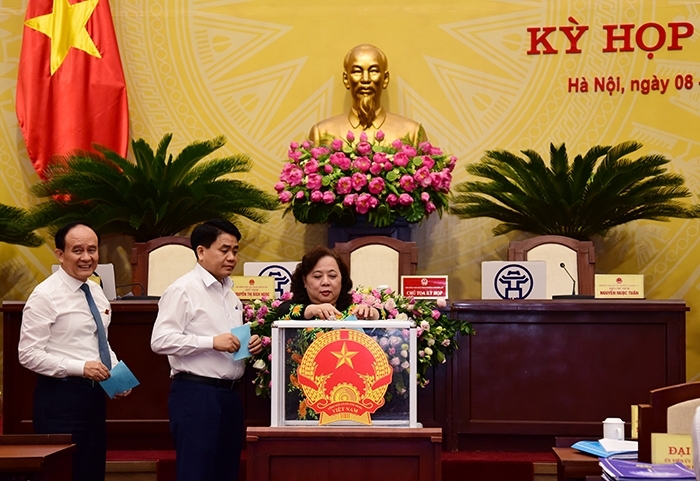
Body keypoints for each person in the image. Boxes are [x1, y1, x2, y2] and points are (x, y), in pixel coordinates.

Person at [150, 219, 262, 481]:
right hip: (196, 394)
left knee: (226, 472)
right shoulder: (183, 290)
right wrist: (211, 342)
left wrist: (248, 345)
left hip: (230, 396)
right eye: (224, 250)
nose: (232, 257)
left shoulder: (230, 293)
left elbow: (229, 342)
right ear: (201, 251)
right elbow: (160, 340)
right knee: (196, 473)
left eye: (235, 250)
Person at [18, 221, 130, 481]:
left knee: (91, 472)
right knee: (64, 474)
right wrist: (80, 367)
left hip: (93, 400)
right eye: (77, 250)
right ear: (60, 254)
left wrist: (118, 378)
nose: (86, 257)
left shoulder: (95, 290)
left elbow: (98, 341)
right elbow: (28, 353)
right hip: (59, 400)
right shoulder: (45, 295)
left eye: (92, 250)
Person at [308, 44, 426, 146]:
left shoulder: (412, 133)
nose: (365, 79)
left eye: (373, 71)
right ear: (346, 79)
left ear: (385, 79)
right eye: (357, 71)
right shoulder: (321, 133)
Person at [277, 246, 381, 320]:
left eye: (332, 276)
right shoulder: (294, 309)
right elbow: (282, 312)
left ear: (342, 279)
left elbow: (386, 315)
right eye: (317, 276)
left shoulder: (353, 311)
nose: (325, 282)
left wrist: (373, 313)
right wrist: (313, 310)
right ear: (304, 281)